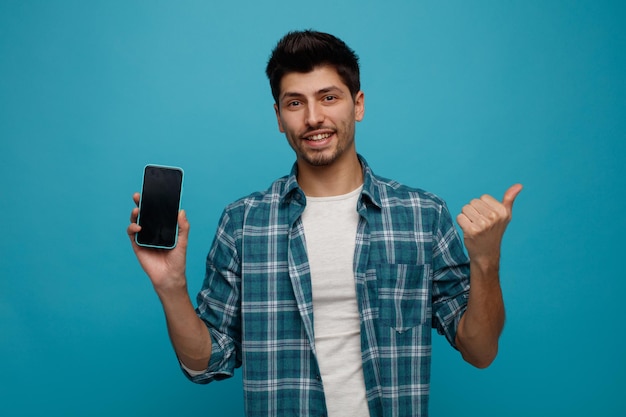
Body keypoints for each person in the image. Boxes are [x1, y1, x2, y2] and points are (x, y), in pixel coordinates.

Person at [127, 30, 522, 417]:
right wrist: (172, 287)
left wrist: (486, 262)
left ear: (358, 104)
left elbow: (480, 351)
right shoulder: (243, 223)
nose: (314, 118)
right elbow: (206, 363)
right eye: (295, 103)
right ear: (279, 117)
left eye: (328, 97)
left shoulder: (422, 216)